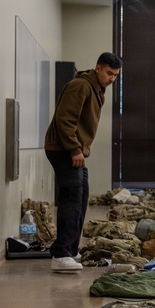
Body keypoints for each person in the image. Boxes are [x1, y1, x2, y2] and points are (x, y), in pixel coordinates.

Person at [44, 52, 122, 273]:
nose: (112, 79)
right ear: (98, 68)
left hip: (73, 150)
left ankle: (70, 248)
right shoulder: (80, 86)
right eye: (109, 73)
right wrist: (75, 149)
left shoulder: (97, 89)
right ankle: (60, 255)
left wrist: (80, 151)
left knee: (82, 195)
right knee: (71, 197)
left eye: (115, 75)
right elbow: (64, 120)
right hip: (63, 149)